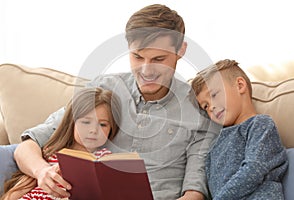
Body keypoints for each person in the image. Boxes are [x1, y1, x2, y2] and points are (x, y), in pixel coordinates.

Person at [1, 4, 218, 200]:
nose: (146, 70)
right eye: (137, 57)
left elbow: (195, 192)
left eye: (158, 59)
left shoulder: (200, 108)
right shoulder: (103, 89)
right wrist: (42, 172)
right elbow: (27, 146)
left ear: (180, 51)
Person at [191, 59, 288, 199]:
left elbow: (254, 169)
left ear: (240, 85)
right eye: (205, 106)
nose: (211, 107)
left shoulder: (260, 124)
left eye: (214, 95)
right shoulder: (215, 142)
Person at [1, 87, 118, 200]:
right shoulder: (52, 153)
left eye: (103, 124)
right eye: (86, 122)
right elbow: (23, 186)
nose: (93, 130)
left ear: (111, 129)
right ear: (72, 123)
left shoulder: (104, 159)